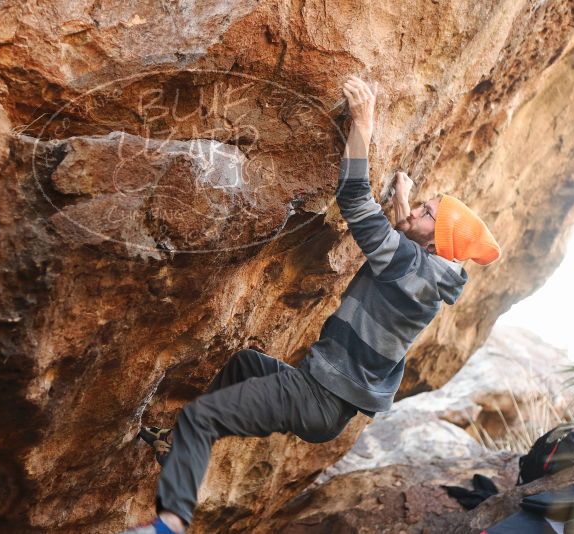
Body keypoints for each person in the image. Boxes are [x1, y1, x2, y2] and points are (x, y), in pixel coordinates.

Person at [120, 75, 501, 534]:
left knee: (200, 418)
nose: (417, 211)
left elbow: (356, 200)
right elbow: (404, 231)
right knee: (244, 363)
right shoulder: (429, 272)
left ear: (439, 242)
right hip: (324, 404)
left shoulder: (410, 266)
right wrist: (404, 197)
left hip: (316, 397)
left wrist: (364, 122)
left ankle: (170, 522)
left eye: (428, 213)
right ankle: (173, 445)